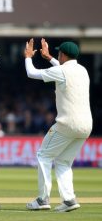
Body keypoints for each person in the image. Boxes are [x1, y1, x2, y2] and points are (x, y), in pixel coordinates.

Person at [24, 38, 92, 212]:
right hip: (86, 125)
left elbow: (31, 73)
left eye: (59, 54)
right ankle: (69, 200)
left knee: (43, 155)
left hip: (67, 123)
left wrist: (27, 57)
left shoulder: (61, 71)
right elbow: (62, 70)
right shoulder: (82, 70)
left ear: (63, 54)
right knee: (63, 161)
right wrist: (49, 58)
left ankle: (42, 199)